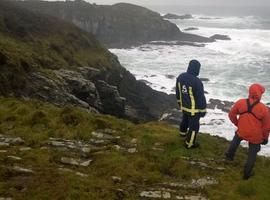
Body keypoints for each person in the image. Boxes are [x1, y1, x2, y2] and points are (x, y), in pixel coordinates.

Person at [225, 83, 270, 180]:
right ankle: (247, 173)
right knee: (252, 153)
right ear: (260, 94)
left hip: (242, 130)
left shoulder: (240, 102)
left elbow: (231, 114)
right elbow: (266, 127)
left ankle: (229, 156)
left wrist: (237, 123)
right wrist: (265, 138)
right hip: (255, 135)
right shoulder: (264, 109)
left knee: (236, 138)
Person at [176, 60, 207, 149]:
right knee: (194, 126)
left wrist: (179, 103)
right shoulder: (197, 82)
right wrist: (203, 110)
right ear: (197, 69)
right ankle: (189, 144)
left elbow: (178, 91)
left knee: (185, 120)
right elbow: (201, 98)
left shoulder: (181, 77)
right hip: (194, 109)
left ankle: (182, 133)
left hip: (184, 106)